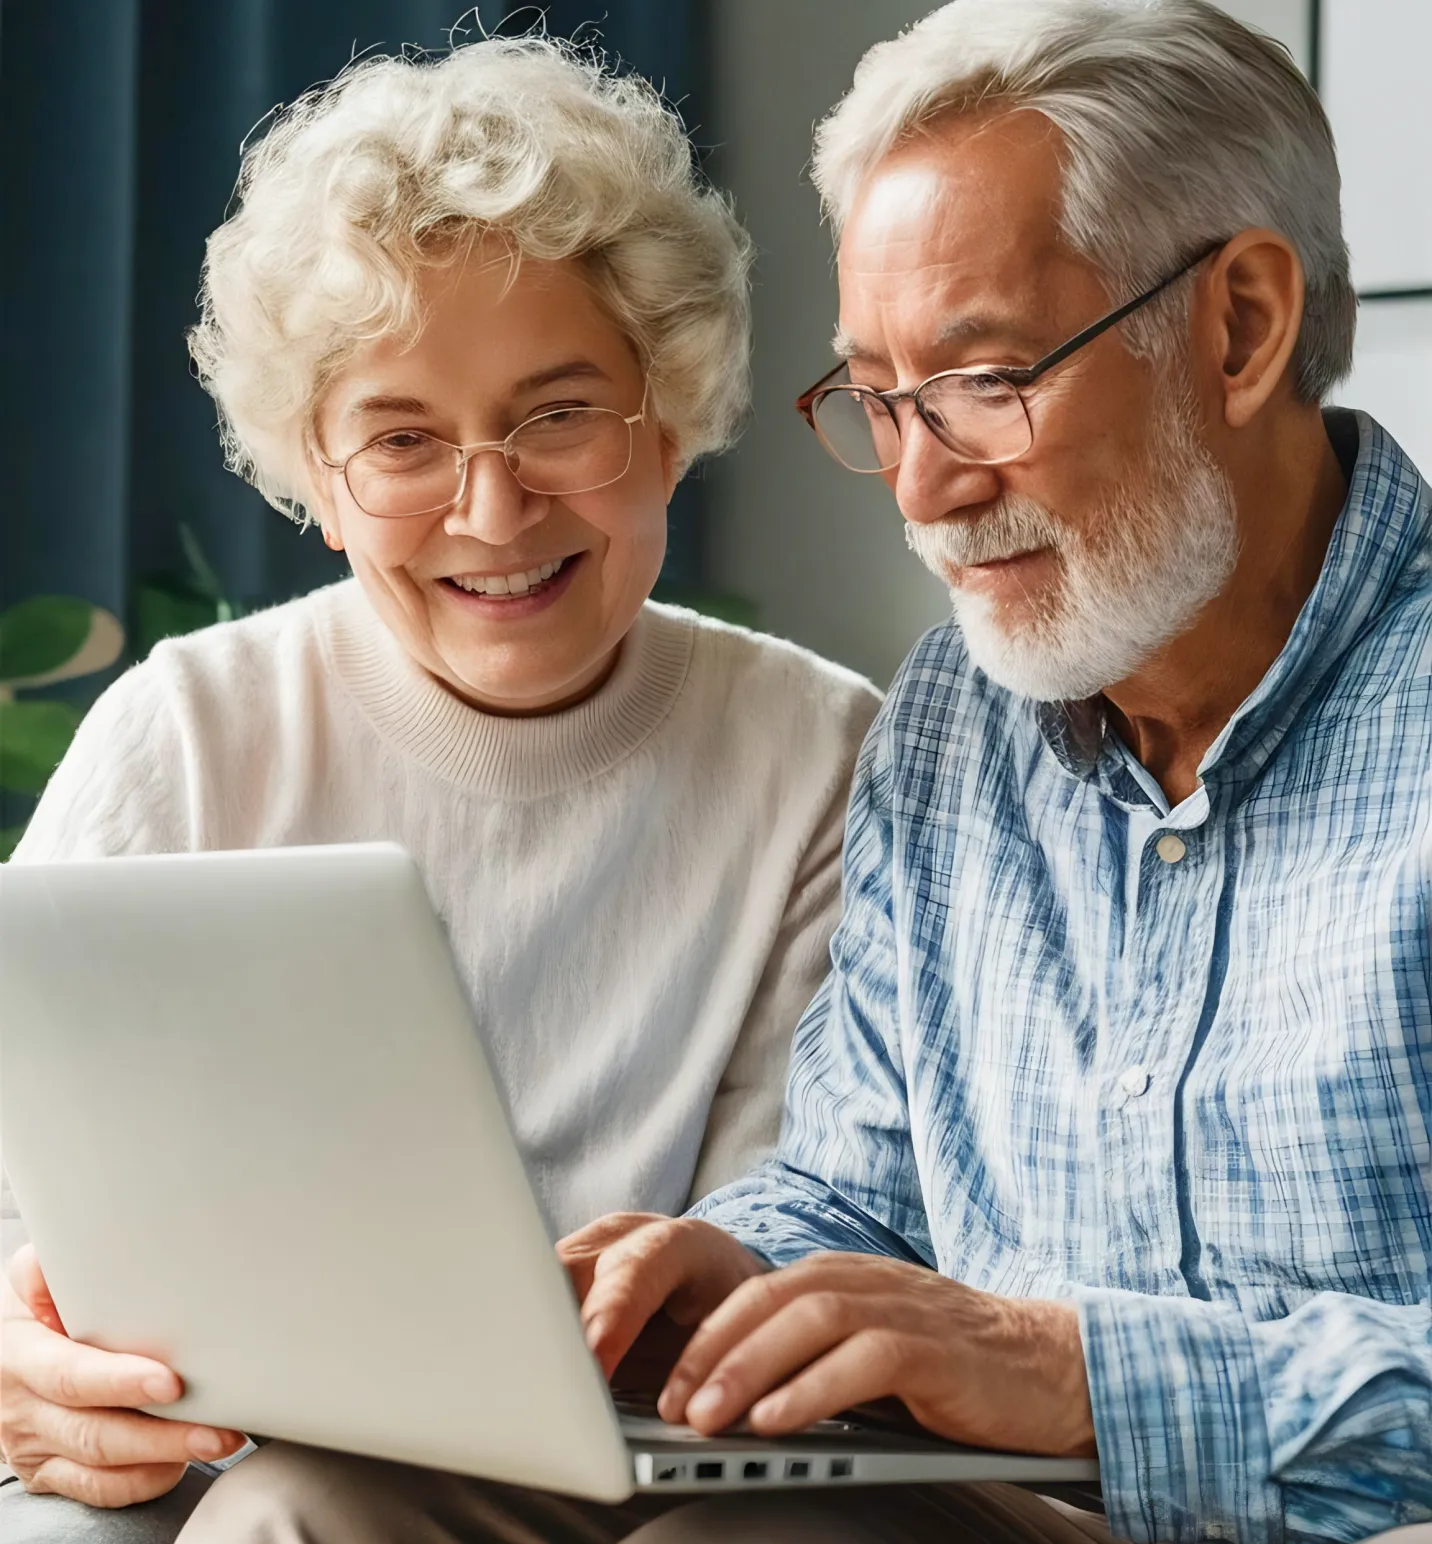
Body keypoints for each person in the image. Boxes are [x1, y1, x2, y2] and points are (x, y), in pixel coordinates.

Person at [167, 1, 1432, 1541]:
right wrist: (718, 1268)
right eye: (880, 400)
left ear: (1239, 326)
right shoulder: (959, 723)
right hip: (986, 1502)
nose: (923, 484)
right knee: (312, 1506)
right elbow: (853, 1185)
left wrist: (1080, 1373)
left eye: (985, 380)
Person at [0, 35, 883, 1542]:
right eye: (402, 440)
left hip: (629, 1457)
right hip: (206, 1443)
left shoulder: (816, 758)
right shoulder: (190, 733)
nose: (492, 509)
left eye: (558, 417)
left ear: (670, 415)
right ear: (319, 481)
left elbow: (777, 1238)